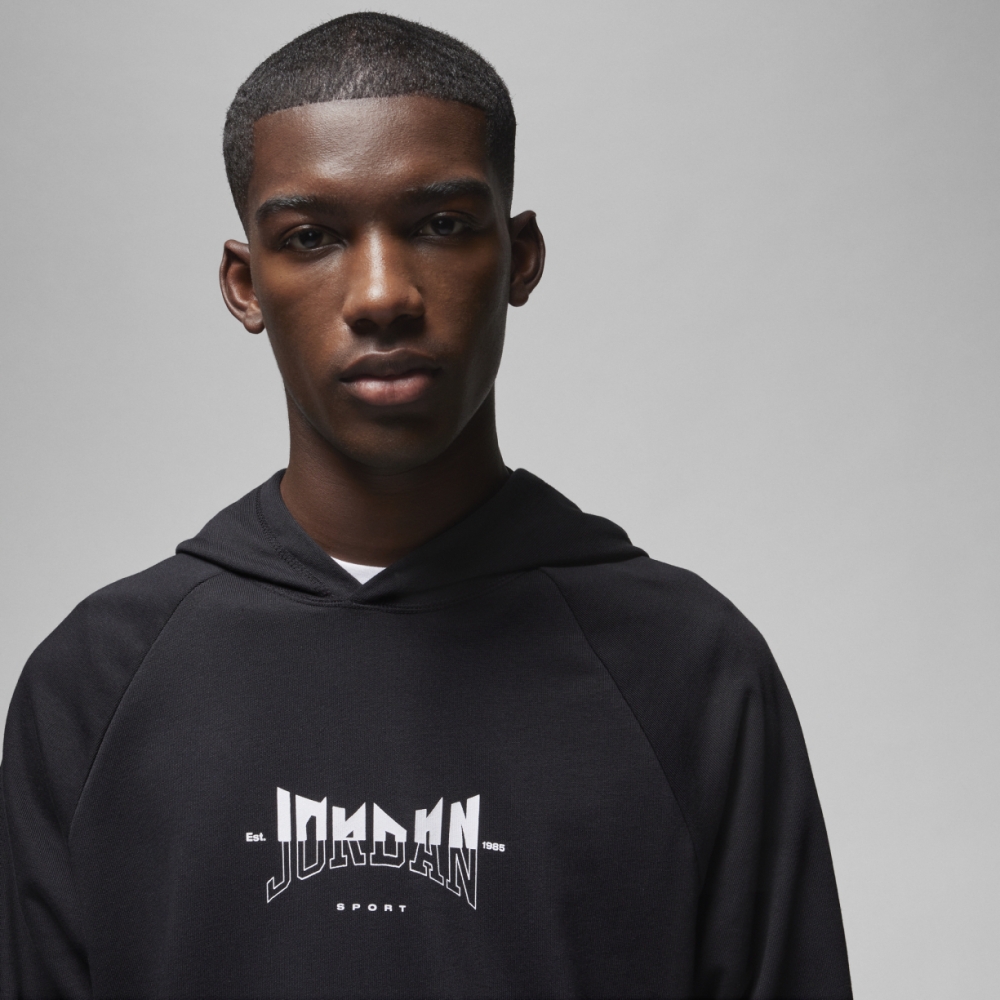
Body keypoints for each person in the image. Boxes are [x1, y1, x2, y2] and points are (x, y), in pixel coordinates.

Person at [0, 12, 852, 999]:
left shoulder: (691, 670)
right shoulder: (96, 684)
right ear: (245, 283)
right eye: (311, 237)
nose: (381, 294)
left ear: (519, 255)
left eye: (441, 224)